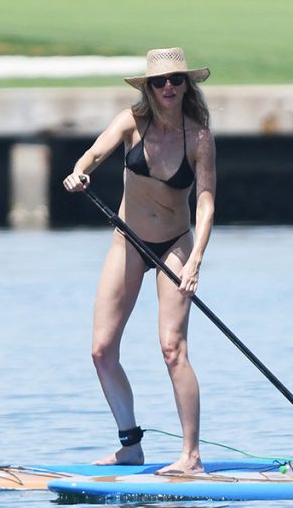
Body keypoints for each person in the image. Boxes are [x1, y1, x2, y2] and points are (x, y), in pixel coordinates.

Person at [63, 47, 216, 475]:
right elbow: (93, 155)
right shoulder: (132, 123)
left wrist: (196, 260)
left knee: (172, 349)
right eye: (159, 82)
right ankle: (130, 446)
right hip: (128, 241)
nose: (168, 88)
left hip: (176, 245)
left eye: (176, 80)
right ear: (148, 88)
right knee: (101, 349)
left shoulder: (199, 137)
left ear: (188, 85)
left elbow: (205, 203)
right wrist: (79, 172)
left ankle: (191, 456)